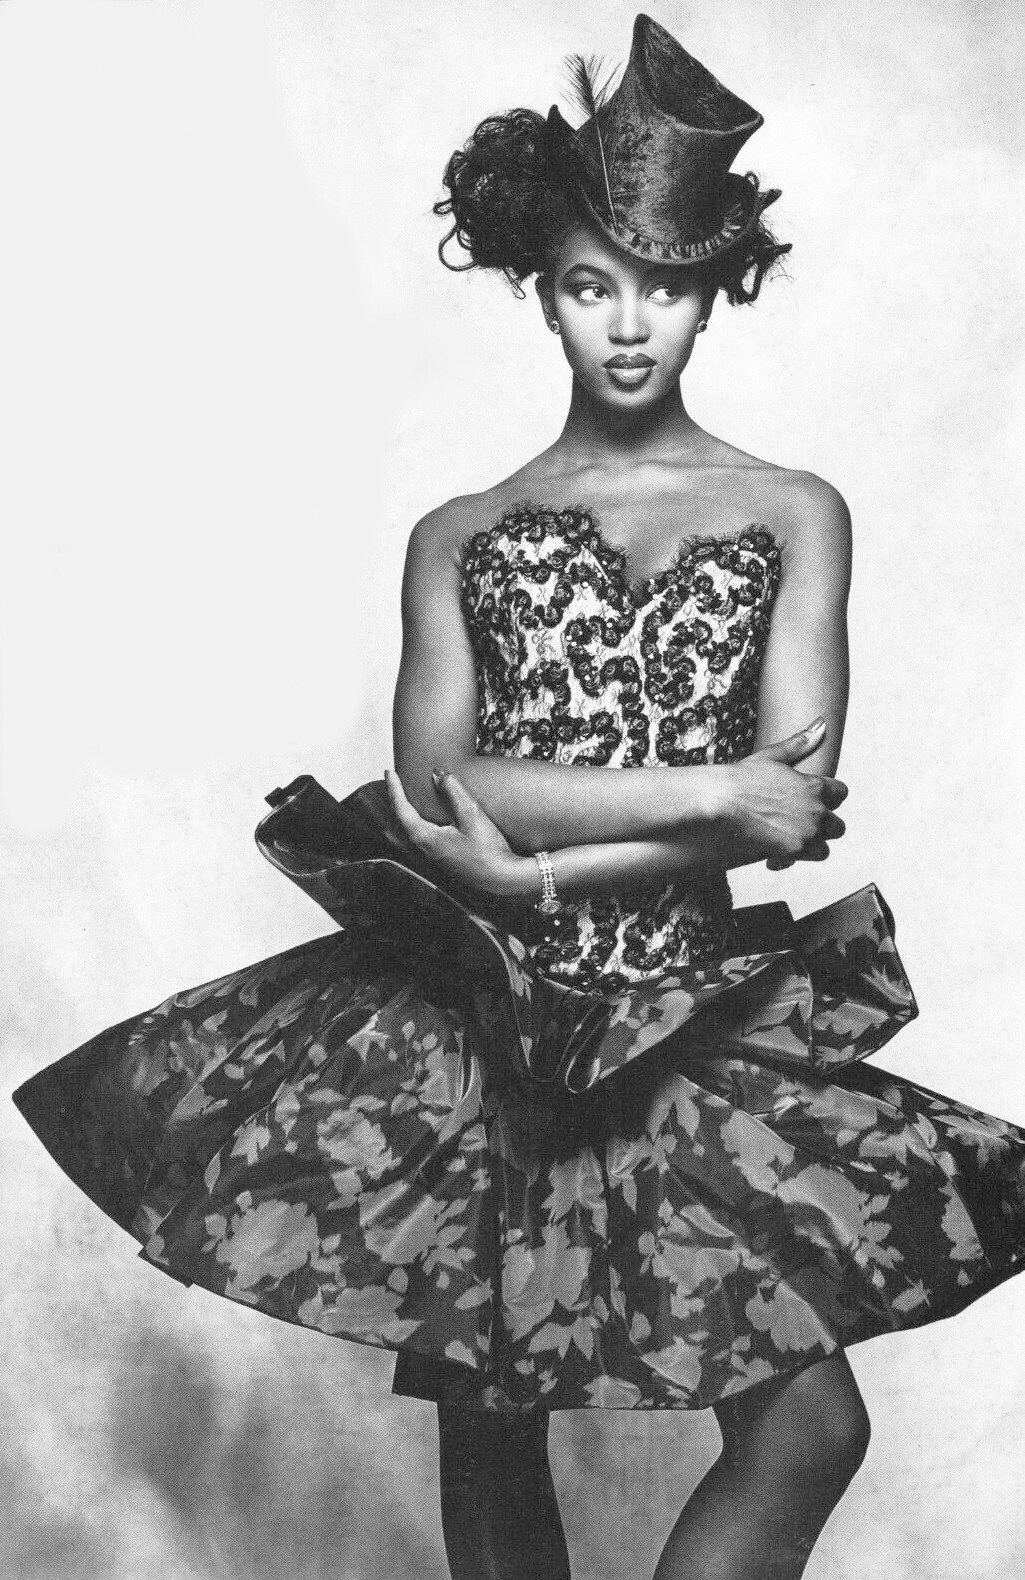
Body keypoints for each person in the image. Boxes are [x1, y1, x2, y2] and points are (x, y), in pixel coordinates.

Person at [13, 15, 1025, 1580]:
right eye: (588, 285)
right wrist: (679, 808)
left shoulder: (791, 510)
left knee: (807, 1427)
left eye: (663, 288)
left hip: (684, 1011)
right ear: (540, 291)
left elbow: (794, 795)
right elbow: (440, 787)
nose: (627, 324)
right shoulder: (458, 533)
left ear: (716, 289)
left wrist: (532, 858)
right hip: (479, 1014)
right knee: (494, 1421)